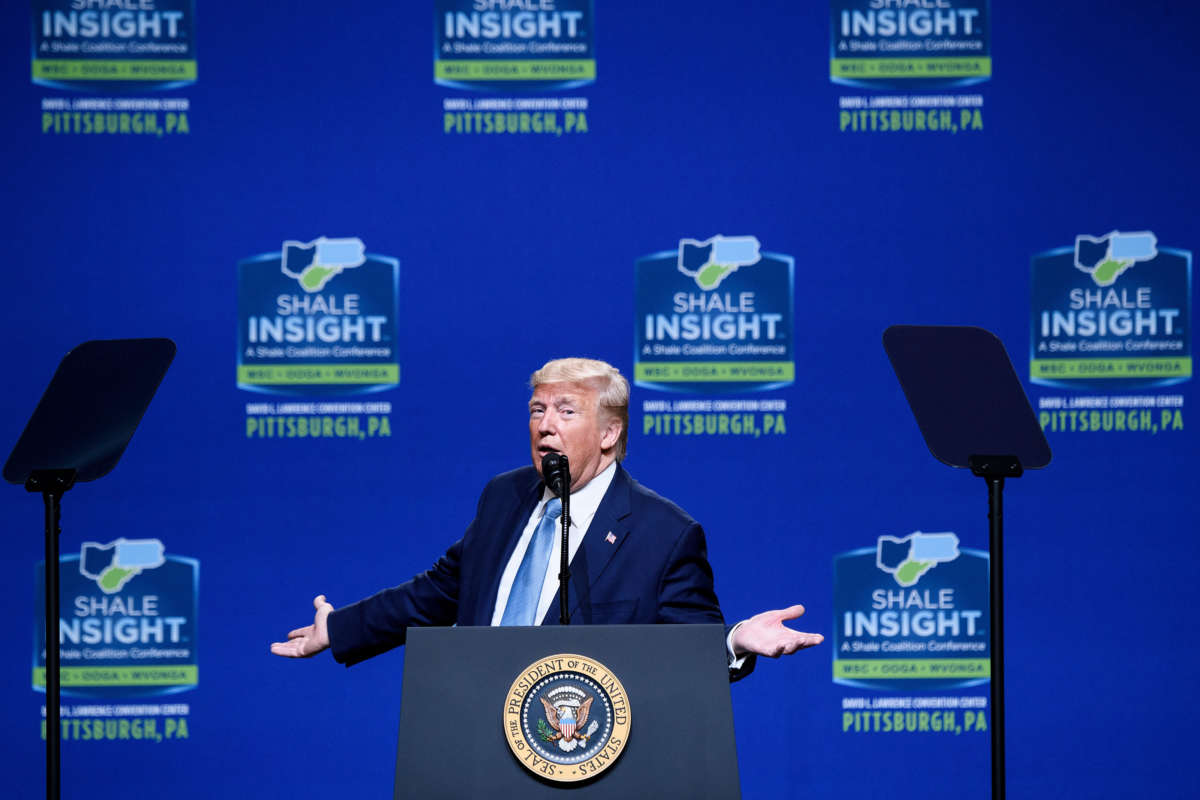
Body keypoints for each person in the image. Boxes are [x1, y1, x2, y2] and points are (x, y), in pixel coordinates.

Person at [271, 358, 822, 677]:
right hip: (475, 739)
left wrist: (736, 642)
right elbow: (438, 591)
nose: (544, 425)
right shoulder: (503, 496)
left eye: (565, 411)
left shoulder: (664, 534)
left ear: (610, 434)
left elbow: (687, 651)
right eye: (537, 410)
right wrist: (338, 629)